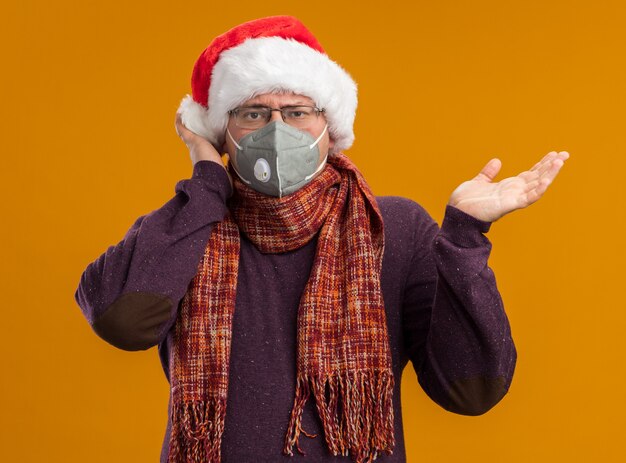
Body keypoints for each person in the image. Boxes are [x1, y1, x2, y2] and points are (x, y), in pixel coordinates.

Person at [74, 15, 569, 463]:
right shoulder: (188, 226)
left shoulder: (392, 229)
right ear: (221, 133)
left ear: (330, 128)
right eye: (252, 113)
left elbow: (472, 390)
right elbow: (121, 321)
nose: (276, 129)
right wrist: (206, 183)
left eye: (296, 112)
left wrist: (463, 237)